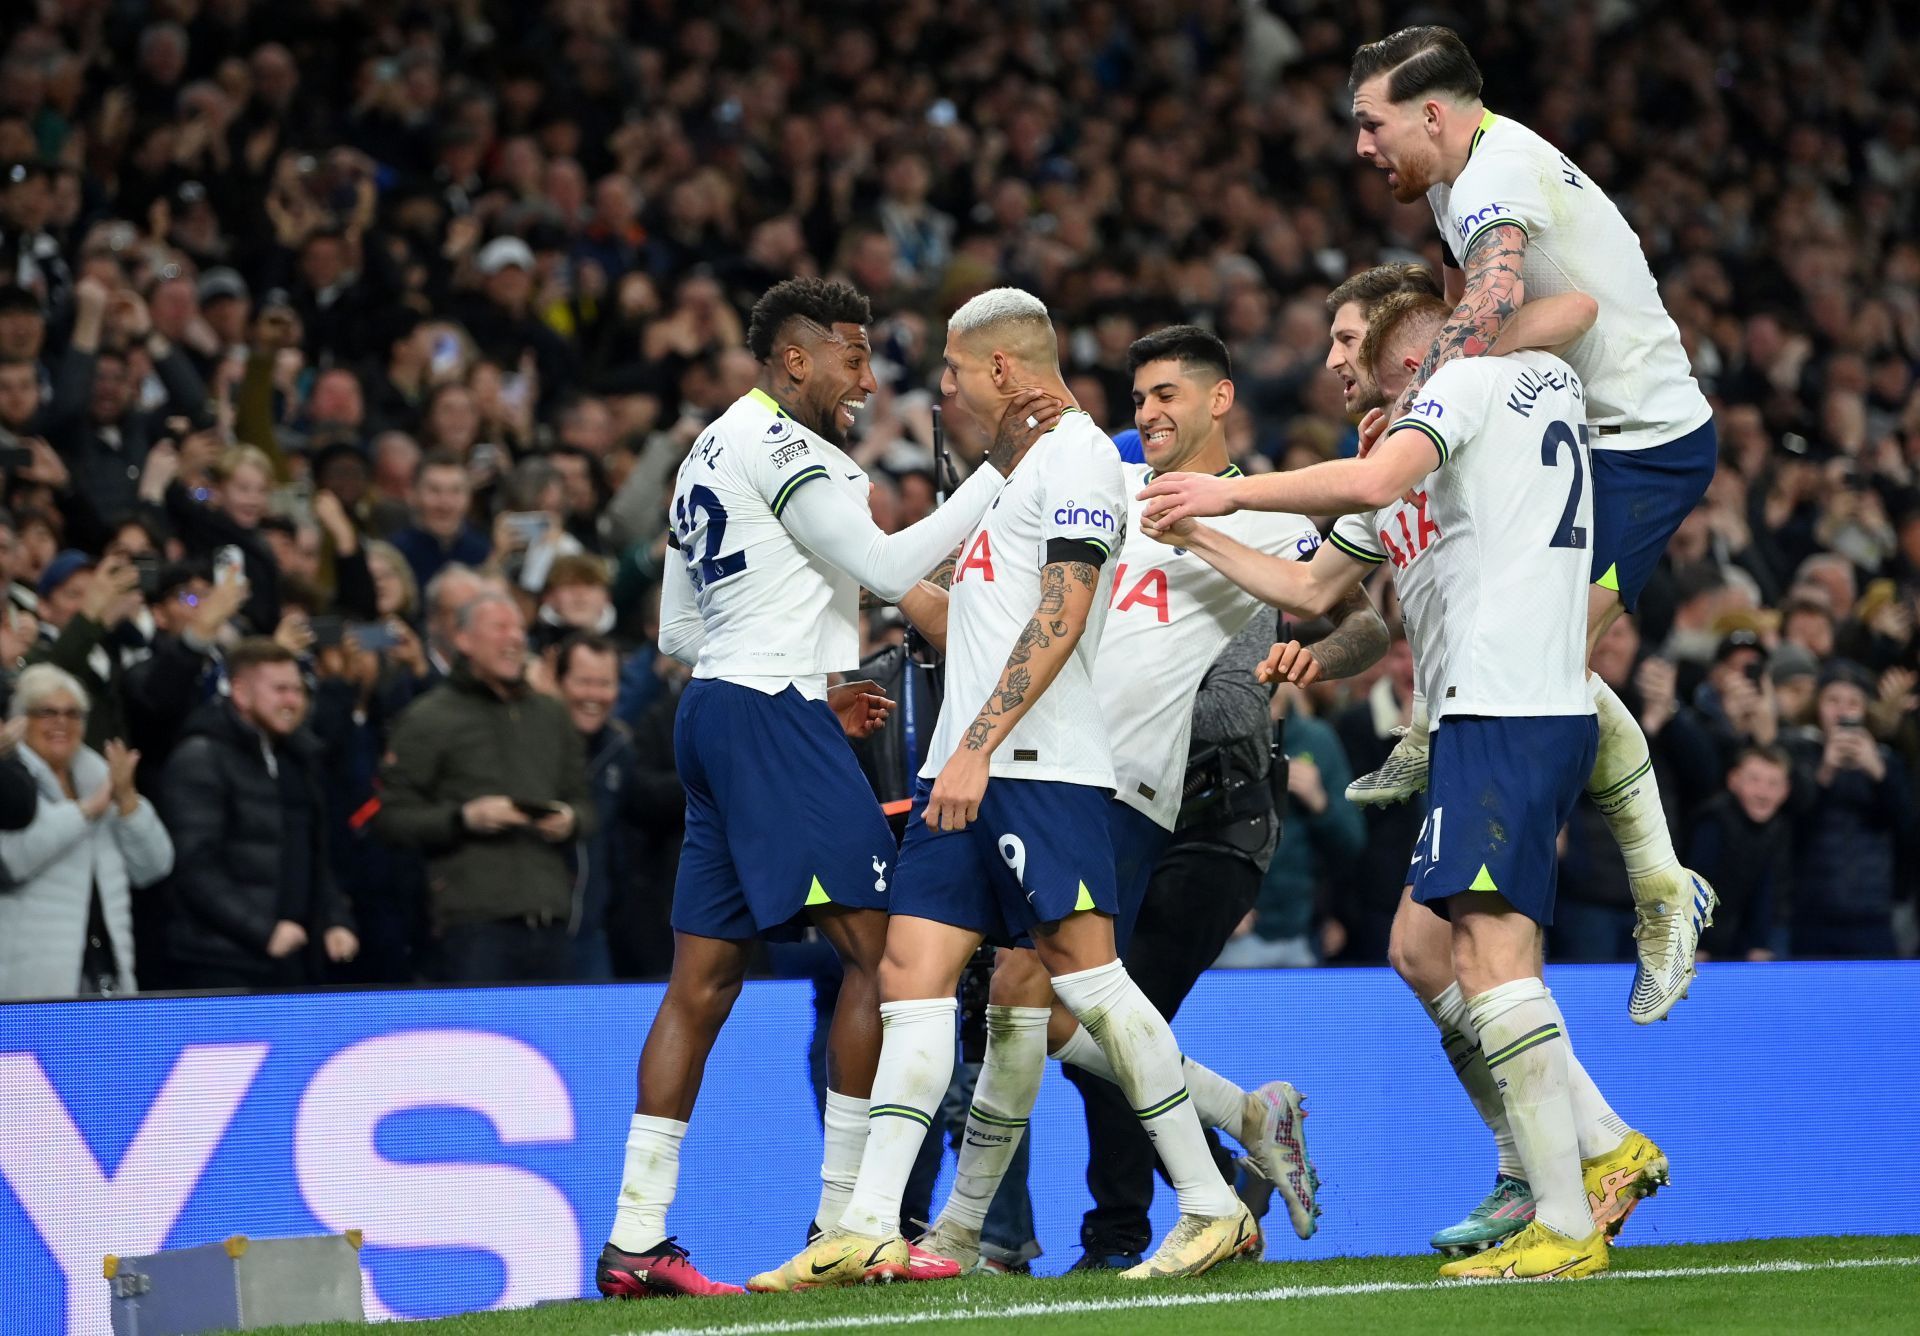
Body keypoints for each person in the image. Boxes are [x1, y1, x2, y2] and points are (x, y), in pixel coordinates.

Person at [1144, 289, 1661, 1281]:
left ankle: (1562, 1211)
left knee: (1494, 960)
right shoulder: (1469, 420)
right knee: (1427, 948)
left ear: (1404, 341)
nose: (1332, 358)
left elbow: (1387, 462)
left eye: (1348, 337)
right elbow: (1309, 592)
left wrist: (1223, 495)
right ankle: (1590, 1151)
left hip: (1506, 700)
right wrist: (1196, 533)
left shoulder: (1460, 391)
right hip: (1491, 707)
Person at [756, 289, 1256, 1292]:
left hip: (1039, 772)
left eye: (949, 369)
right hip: (965, 775)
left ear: (999, 371)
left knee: (1092, 989)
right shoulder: (1017, 475)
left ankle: (1211, 1202)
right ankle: (864, 1223)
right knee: (912, 979)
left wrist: (980, 743)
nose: (939, 387)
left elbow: (1063, 614)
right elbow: (974, 620)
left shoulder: (1076, 458)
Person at [907, 326, 1389, 1271]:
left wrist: (1314, 656)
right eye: (1138, 399)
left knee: (1046, 998)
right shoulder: (1107, 484)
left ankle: (977, 1232)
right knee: (1038, 1006)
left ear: (1220, 400)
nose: (1150, 413)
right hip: (1054, 776)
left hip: (1131, 786)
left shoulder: (1260, 515)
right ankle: (1240, 1118)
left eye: (1169, 393)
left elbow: (1358, 618)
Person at [597, 276, 1042, 1299]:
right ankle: (848, 1221)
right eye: (851, 357)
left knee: (699, 984)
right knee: (891, 961)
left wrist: (800, 688)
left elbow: (675, 633)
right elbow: (888, 568)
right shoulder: (795, 451)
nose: (865, 378)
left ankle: (634, 1236)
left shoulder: (706, 446)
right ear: (794, 359)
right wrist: (994, 473)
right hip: (765, 716)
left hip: (717, 712)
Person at [1327, 26, 1724, 1026]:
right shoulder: (1452, 186)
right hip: (1571, 428)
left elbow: (1502, 295)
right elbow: (1502, 308)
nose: (1361, 149)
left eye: (1371, 126)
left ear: (1432, 113)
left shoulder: (1497, 167)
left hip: (1642, 443)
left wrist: (1424, 403)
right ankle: (1438, 723)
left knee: (1553, 659)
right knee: (1505, 622)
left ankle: (1665, 885)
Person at [374, 591, 593, 984]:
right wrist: (464, 818)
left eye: (520, 630)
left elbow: (585, 802)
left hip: (552, 920)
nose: (514, 639)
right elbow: (390, 818)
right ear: (463, 640)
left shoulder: (552, 714)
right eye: (500, 628)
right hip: (471, 926)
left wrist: (570, 819)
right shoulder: (428, 717)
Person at [161, 639, 359, 990]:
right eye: (280, 690)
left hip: (293, 956)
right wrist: (262, 930)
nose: (292, 701)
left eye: (298, 690)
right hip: (220, 960)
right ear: (240, 692)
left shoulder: (300, 758)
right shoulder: (201, 756)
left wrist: (334, 919)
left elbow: (313, 854)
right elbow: (194, 866)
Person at [0, 664, 172, 999]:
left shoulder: (101, 778)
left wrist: (127, 803)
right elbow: (12, 861)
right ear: (20, 721)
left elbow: (154, 867)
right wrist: (85, 812)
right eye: (46, 712)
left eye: (73, 713)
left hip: (106, 969)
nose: (61, 723)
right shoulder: (8, 784)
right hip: (28, 978)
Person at [1786, 663, 1911, 958]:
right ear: (1818, 706)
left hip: (1872, 914)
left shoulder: (1888, 762)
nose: (1842, 711)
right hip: (1810, 914)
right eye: (1833, 700)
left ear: (1866, 710)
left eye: (1853, 702)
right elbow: (1793, 828)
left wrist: (1879, 773)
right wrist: (1825, 772)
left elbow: (1908, 829)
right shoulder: (1799, 753)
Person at [553, 632, 637, 981]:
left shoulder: (621, 748)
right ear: (557, 682)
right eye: (583, 682)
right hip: (537, 931)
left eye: (605, 684)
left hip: (595, 933)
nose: (594, 695)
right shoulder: (529, 743)